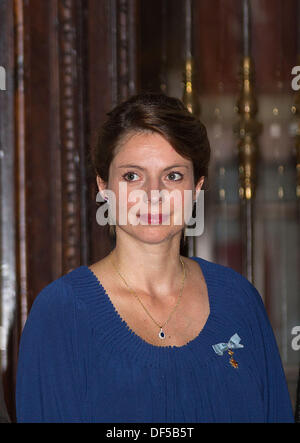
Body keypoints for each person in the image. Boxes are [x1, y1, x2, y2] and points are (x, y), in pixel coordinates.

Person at [16, 93, 294, 423]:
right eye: (132, 176)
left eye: (173, 175)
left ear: (197, 188)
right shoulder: (61, 314)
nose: (154, 194)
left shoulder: (239, 300)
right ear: (104, 188)